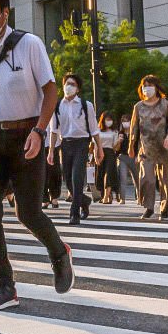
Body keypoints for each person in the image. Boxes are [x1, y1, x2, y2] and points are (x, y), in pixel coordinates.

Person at [0, 0, 73, 310]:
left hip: (28, 134)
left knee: (27, 211)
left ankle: (58, 252)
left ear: (5, 14)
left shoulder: (29, 45)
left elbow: (50, 91)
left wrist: (40, 131)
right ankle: (4, 285)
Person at [48, 74, 103, 225]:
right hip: (65, 144)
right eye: (66, 83)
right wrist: (51, 151)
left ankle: (74, 214)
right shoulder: (57, 106)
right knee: (69, 181)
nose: (68, 86)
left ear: (77, 88)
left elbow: (94, 129)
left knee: (77, 179)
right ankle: (84, 200)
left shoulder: (86, 105)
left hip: (82, 144)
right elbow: (53, 130)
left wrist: (99, 148)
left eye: (72, 84)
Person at [128, 75, 168, 220]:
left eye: (150, 85)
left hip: (164, 148)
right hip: (146, 148)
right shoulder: (138, 107)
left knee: (165, 180)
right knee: (147, 179)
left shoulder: (166, 105)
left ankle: (164, 208)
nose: (146, 89)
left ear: (156, 87)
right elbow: (133, 128)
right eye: (144, 86)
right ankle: (149, 207)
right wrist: (131, 146)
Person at [95, 111, 120, 204]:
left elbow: (115, 147)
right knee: (100, 174)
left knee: (108, 174)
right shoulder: (97, 130)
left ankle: (106, 196)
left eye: (111, 120)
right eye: (107, 120)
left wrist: (118, 142)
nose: (109, 122)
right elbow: (96, 145)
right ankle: (106, 195)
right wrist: (96, 156)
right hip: (100, 152)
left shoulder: (114, 131)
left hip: (110, 153)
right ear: (103, 120)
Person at [115, 114, 135, 204]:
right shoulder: (120, 134)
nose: (126, 123)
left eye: (127, 120)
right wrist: (119, 141)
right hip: (122, 157)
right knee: (122, 178)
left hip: (133, 157)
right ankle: (122, 198)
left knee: (136, 178)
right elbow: (116, 149)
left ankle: (139, 197)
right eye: (124, 121)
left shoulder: (134, 133)